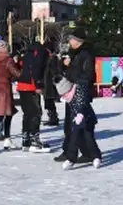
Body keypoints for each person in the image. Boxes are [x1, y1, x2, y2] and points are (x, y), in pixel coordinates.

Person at [55, 27, 96, 163]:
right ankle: (74, 151)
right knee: (72, 124)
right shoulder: (76, 53)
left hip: (80, 93)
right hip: (72, 93)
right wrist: (64, 64)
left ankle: (86, 153)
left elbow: (86, 76)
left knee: (80, 124)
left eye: (71, 39)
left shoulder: (85, 54)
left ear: (77, 41)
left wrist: (70, 66)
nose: (69, 41)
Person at [54, 75, 101, 170]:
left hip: (87, 119)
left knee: (89, 139)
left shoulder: (79, 90)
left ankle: (96, 157)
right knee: (74, 139)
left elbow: (82, 103)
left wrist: (80, 114)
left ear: (68, 90)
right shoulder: (68, 96)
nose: (64, 97)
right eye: (62, 95)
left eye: (64, 95)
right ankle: (71, 159)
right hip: (76, 120)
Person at [16, 39, 49, 152]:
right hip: (31, 85)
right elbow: (36, 69)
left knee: (27, 113)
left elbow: (20, 66)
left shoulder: (26, 54)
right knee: (36, 112)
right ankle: (34, 139)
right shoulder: (40, 53)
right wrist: (38, 85)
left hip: (22, 85)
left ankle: (26, 139)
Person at [43, 41, 60, 127]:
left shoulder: (53, 58)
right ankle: (52, 117)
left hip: (49, 83)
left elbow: (54, 71)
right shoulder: (48, 58)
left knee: (49, 101)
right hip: (47, 82)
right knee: (48, 101)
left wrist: (55, 80)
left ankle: (53, 118)